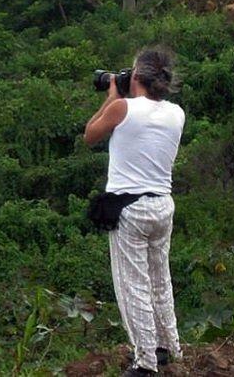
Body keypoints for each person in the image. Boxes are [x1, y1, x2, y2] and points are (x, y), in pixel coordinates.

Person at [83, 47, 185, 376]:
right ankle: (169, 348)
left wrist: (112, 94)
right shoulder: (176, 113)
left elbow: (90, 134)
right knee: (160, 280)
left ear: (136, 77)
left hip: (130, 210)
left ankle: (145, 363)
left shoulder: (122, 108)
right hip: (162, 206)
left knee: (133, 285)